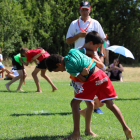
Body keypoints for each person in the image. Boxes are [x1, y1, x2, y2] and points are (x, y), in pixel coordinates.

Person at [46, 31, 133, 140]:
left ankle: (76, 134)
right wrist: (93, 60)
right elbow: (89, 51)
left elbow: (83, 78)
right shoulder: (73, 51)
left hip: (93, 77)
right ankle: (125, 128)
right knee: (110, 104)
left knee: (74, 103)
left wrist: (83, 72)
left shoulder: (68, 67)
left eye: (58, 70)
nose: (61, 71)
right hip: (103, 75)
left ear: (58, 64)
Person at [66, 0, 106, 114]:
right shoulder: (74, 23)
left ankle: (95, 106)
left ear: (90, 10)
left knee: (93, 79)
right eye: (83, 9)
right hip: (78, 57)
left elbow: (102, 40)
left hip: (92, 56)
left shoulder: (95, 23)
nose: (84, 11)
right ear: (80, 9)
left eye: (86, 9)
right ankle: (77, 106)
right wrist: (78, 35)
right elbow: (68, 40)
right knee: (77, 79)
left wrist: (101, 55)